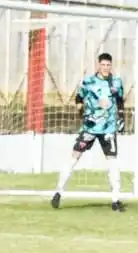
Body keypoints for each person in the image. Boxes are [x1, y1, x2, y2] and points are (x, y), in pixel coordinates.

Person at [51, 52, 126, 212]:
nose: (106, 68)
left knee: (112, 160)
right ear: (98, 65)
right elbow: (78, 98)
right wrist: (82, 113)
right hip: (90, 127)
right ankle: (58, 192)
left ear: (111, 66)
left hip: (108, 128)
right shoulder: (88, 82)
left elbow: (120, 102)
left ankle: (115, 199)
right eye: (103, 65)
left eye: (108, 65)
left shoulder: (117, 83)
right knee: (74, 157)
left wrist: (121, 119)